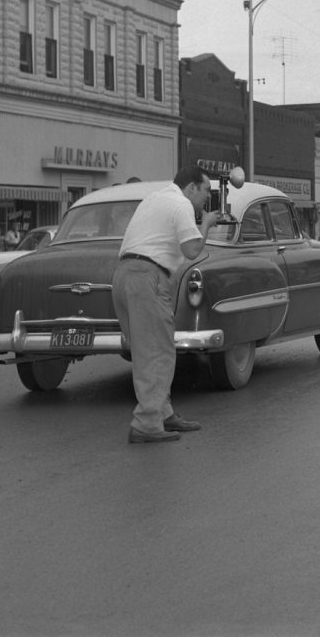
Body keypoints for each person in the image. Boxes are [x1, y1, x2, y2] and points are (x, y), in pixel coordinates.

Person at [111, 165, 218, 442]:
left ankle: (163, 412)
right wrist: (205, 224)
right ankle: (147, 424)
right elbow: (192, 250)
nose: (207, 197)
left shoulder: (154, 198)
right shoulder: (180, 204)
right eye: (206, 190)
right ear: (192, 187)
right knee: (158, 354)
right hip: (149, 279)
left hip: (124, 276)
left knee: (147, 353)